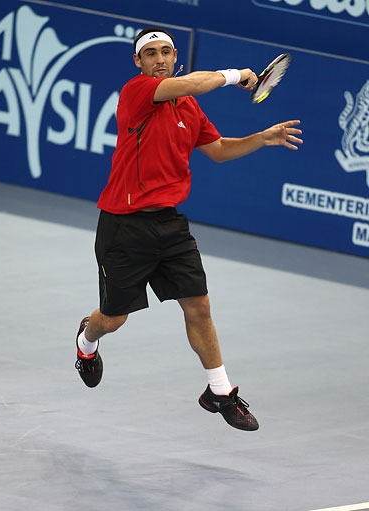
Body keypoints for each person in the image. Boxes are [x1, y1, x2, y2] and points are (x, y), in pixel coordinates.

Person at [74, 26, 303, 432]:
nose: (159, 59)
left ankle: (219, 391)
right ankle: (85, 342)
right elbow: (197, 82)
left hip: (170, 224)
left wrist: (261, 138)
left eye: (166, 52)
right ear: (138, 62)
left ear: (176, 56)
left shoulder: (189, 108)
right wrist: (237, 75)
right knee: (112, 319)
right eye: (151, 54)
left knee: (199, 306)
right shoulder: (138, 92)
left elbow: (218, 150)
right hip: (123, 225)